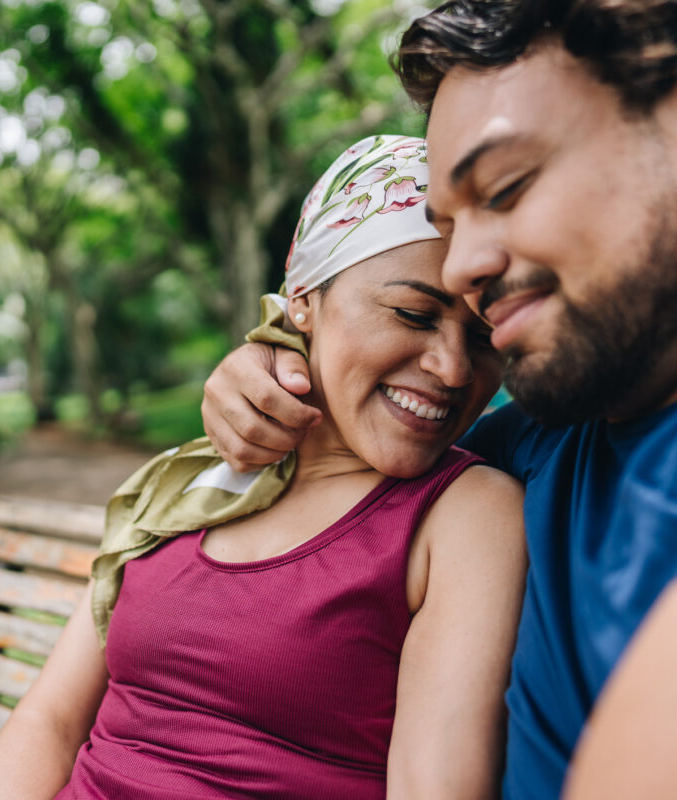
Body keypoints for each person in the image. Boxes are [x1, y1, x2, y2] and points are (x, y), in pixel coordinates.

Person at [200, 2, 677, 798]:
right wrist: (270, 368)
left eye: (507, 186)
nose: (462, 269)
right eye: (448, 226)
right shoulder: (539, 440)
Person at [0, 136, 526, 800]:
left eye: (484, 333)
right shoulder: (194, 477)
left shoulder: (464, 513)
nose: (455, 368)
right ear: (303, 300)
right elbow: (50, 721)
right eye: (412, 314)